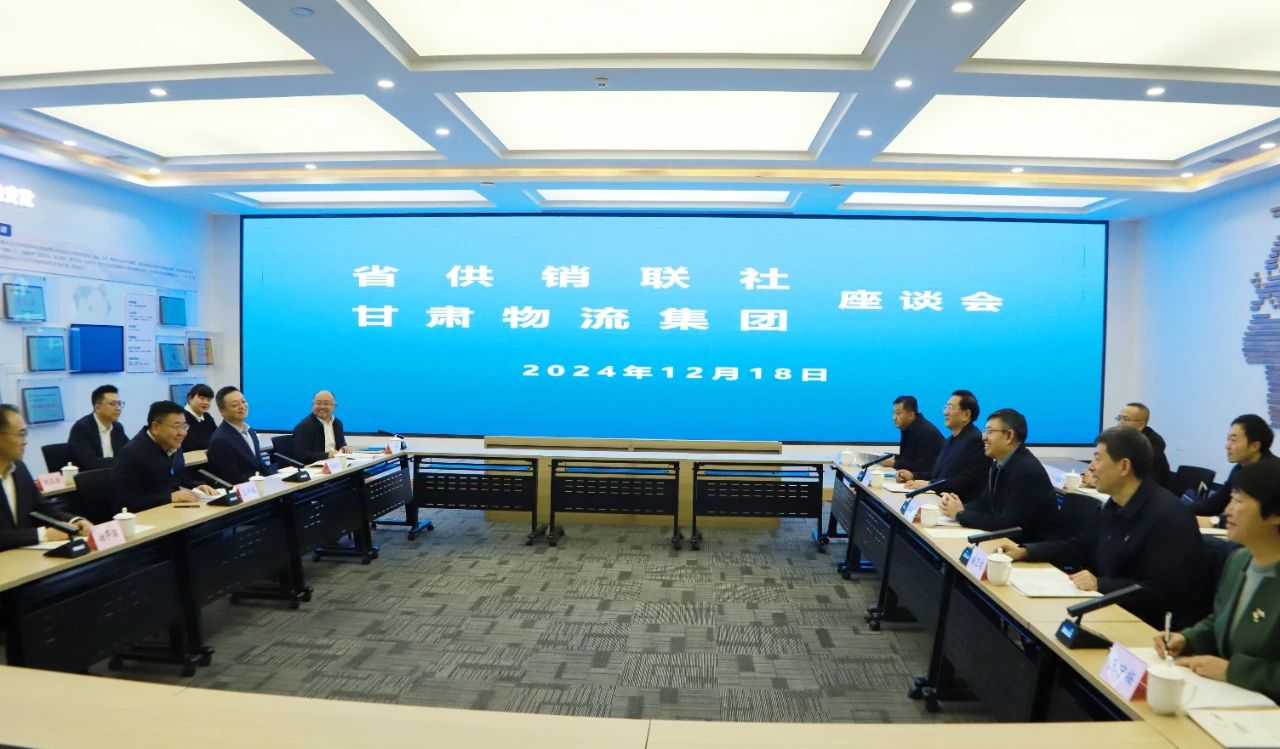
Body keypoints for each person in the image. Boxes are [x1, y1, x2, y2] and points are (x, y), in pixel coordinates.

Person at [997, 426, 1208, 629]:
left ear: (1124, 466)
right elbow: (1082, 546)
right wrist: (1026, 551)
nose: (1090, 467)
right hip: (1111, 608)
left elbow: (1163, 591)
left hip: (1147, 626)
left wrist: (1100, 585)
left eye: (1098, 458)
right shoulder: (1116, 503)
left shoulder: (1168, 516)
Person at [1156, 459, 1280, 702]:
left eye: (1240, 501)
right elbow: (1220, 621)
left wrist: (1231, 671)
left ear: (1276, 514)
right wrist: (1187, 639)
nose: (1228, 510)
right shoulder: (1238, 560)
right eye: (1231, 499)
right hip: (1227, 699)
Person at [938, 408, 1062, 543]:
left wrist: (961, 514)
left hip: (1026, 546)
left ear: (1009, 436)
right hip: (1005, 541)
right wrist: (953, 506)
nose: (983, 437)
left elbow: (1006, 524)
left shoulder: (1027, 471)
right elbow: (984, 503)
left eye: (989, 432)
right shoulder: (998, 463)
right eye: (985, 431)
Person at [0, 405, 92, 551]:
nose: (25, 441)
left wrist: (73, 521)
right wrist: (41, 534)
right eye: (20, 434)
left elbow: (42, 507)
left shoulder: (19, 469)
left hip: (21, 555)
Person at [113, 401, 215, 512]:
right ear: (155, 427)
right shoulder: (131, 454)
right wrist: (169, 497)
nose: (182, 433)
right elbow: (127, 502)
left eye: (184, 426)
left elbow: (178, 478)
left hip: (174, 512)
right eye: (176, 426)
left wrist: (196, 487)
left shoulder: (173, 444)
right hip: (149, 517)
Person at [896, 390, 987, 502]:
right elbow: (938, 475)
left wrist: (929, 484)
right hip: (939, 500)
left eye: (950, 408)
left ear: (966, 414)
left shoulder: (976, 441)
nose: (945, 413)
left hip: (958, 505)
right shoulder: (950, 440)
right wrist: (913, 476)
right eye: (946, 407)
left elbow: (966, 481)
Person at [1189, 414, 1280, 527]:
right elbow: (1216, 503)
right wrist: (1181, 511)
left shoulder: (1272, 474)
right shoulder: (1240, 469)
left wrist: (1213, 522)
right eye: (1228, 439)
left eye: (1233, 440)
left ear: (1255, 446)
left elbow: (1252, 518)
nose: (1227, 446)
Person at [206, 387, 276, 485]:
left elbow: (260, 465)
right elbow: (230, 478)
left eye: (243, 401)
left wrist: (274, 480)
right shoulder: (220, 440)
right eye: (235, 405)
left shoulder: (250, 431)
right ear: (222, 411)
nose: (242, 406)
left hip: (261, 484)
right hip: (246, 489)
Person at [66, 384, 128, 470]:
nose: (118, 408)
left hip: (114, 474)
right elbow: (91, 464)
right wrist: (123, 461)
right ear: (98, 408)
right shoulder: (81, 429)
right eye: (113, 404)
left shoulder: (117, 427)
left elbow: (130, 452)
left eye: (119, 404)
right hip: (89, 476)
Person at [1116, 402, 1175, 491]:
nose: (1119, 423)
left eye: (1125, 419)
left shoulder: (1149, 447)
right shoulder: (1124, 439)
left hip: (1152, 494)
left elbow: (1133, 478)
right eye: (1119, 418)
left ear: (1141, 425)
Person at [884, 395, 944, 473]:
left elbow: (924, 467)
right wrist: (893, 457)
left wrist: (894, 463)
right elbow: (908, 458)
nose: (894, 418)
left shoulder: (926, 433)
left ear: (911, 415)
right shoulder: (907, 428)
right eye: (893, 413)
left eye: (898, 413)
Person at [291, 390, 348, 464]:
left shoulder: (337, 423)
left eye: (326, 404)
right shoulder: (304, 426)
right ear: (312, 405)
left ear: (334, 406)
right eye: (318, 403)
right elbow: (301, 456)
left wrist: (344, 448)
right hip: (314, 467)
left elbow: (341, 444)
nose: (322, 407)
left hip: (336, 464)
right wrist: (328, 455)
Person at [181, 383, 217, 452]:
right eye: (202, 398)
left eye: (209, 400)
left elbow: (216, 439)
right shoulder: (182, 417)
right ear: (190, 398)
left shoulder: (207, 417)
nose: (206, 402)